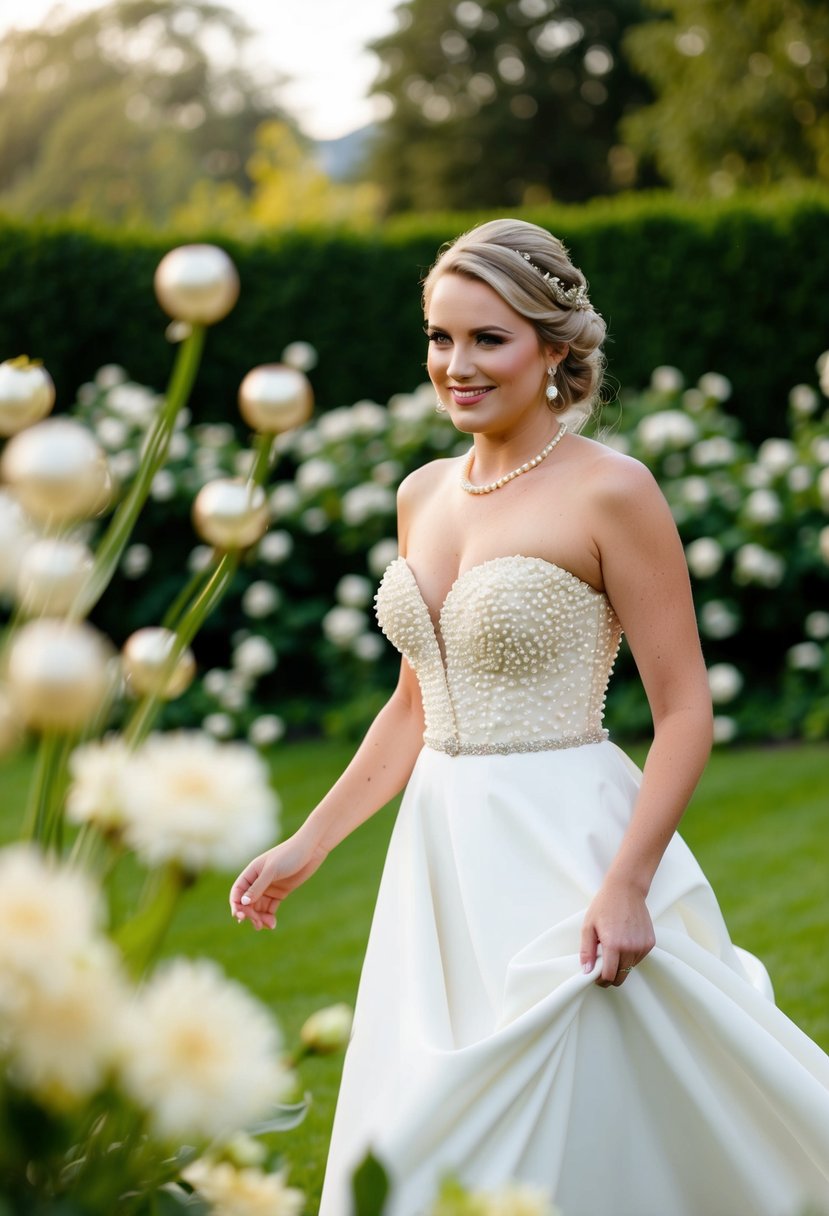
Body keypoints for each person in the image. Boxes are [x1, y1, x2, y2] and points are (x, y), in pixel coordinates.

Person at [230, 218, 829, 1216]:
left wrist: (627, 882)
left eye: (486, 338)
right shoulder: (422, 494)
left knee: (586, 1103)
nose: (455, 365)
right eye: (439, 337)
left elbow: (683, 709)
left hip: (565, 844)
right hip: (439, 856)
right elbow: (415, 702)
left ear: (554, 347)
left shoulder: (611, 491)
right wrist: (310, 841)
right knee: (421, 1123)